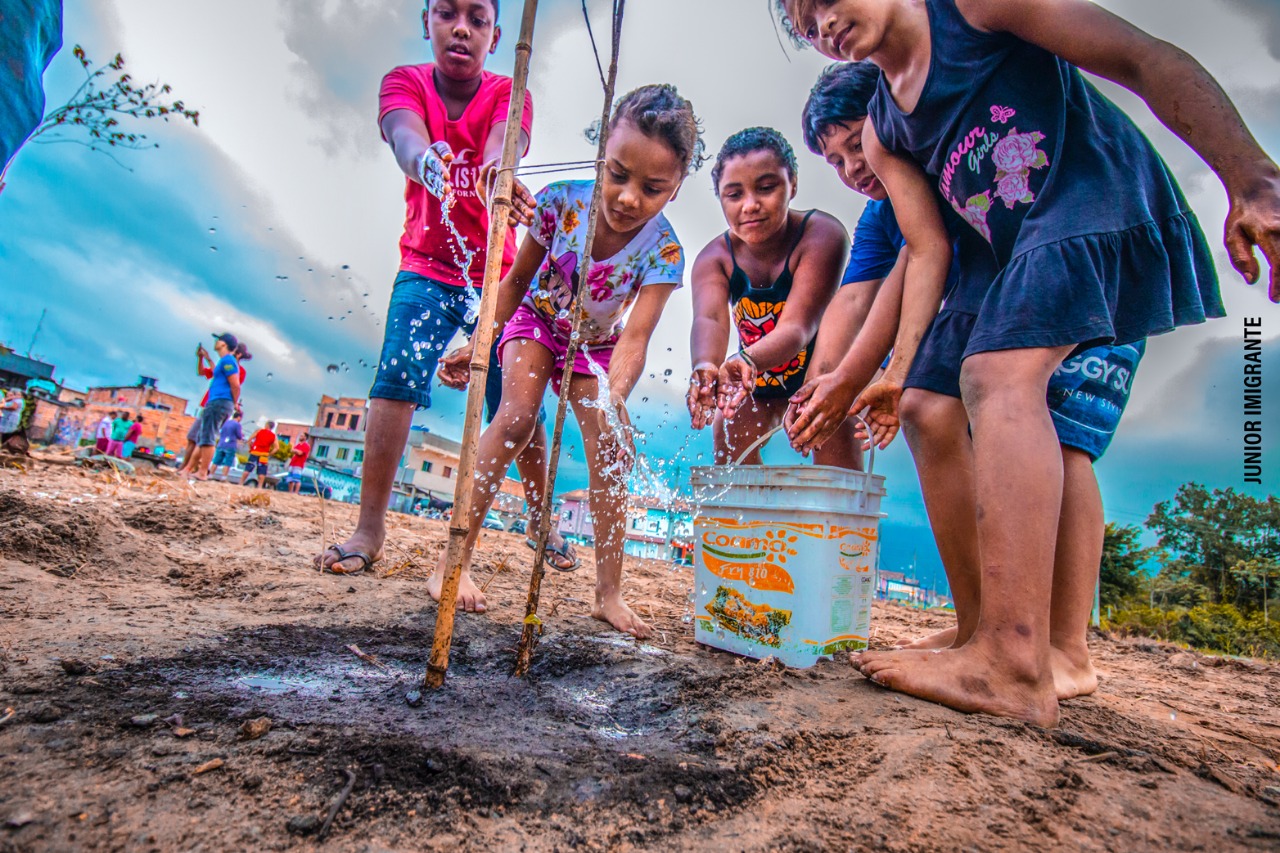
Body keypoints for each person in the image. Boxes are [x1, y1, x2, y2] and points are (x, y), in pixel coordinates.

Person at [777, 0, 1278, 726]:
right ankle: (985, 633)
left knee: (997, 377)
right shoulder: (885, 131)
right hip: (1001, 253)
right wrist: (893, 369)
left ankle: (1018, 663)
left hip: (1088, 202)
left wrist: (1250, 175)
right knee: (926, 405)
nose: (819, 21)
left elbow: (1143, 57)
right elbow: (928, 251)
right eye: (799, 19)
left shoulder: (975, 11)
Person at [794, 61, 1146, 699]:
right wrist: (832, 381)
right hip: (1007, 303)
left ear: (890, 123)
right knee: (941, 413)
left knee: (1066, 440)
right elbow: (863, 296)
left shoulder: (949, 147)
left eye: (857, 144)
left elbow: (926, 257)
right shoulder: (885, 211)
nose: (852, 167)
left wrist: (888, 372)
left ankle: (1066, 648)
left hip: (1085, 266)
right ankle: (982, 629)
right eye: (836, 159)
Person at [437, 84, 702, 636]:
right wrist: (481, 342)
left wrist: (615, 396)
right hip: (536, 323)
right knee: (514, 419)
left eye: (652, 189)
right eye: (618, 174)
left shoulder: (665, 250)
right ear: (601, 152)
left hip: (597, 347)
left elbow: (636, 337)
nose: (629, 198)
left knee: (611, 448)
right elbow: (514, 283)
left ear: (675, 190)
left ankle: (608, 594)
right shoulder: (561, 203)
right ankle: (451, 563)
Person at [317, 0, 565, 574]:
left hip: (500, 274)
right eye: (448, 14)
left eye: (477, 19)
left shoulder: (511, 89)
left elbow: (508, 140)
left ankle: (541, 520)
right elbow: (404, 137)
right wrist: (428, 164)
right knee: (398, 377)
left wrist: (495, 170)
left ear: (497, 35)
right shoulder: (403, 82)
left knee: (516, 397)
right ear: (426, 22)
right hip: (428, 263)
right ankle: (368, 530)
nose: (461, 28)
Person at [686, 127, 855, 467]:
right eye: (734, 194)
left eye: (766, 188)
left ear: (792, 183)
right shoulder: (714, 259)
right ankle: (759, 521)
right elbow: (710, 320)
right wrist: (704, 366)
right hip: (755, 383)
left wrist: (747, 360)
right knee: (729, 444)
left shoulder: (822, 236)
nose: (750, 205)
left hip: (820, 379)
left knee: (837, 484)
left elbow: (798, 327)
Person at [179, 341, 249, 474]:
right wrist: (203, 358)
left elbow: (234, 385)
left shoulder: (235, 368)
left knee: (205, 438)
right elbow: (204, 372)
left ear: (238, 354)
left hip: (218, 403)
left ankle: (193, 469)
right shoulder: (224, 364)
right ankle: (188, 467)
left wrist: (234, 403)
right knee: (194, 437)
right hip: (210, 403)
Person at [239, 420, 278, 488]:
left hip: (255, 452)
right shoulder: (273, 436)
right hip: (264, 455)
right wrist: (269, 454)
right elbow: (276, 448)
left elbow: (250, 439)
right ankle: (260, 486)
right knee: (262, 471)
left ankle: (241, 483)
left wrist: (250, 447)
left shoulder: (259, 431)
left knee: (248, 468)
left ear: (266, 425)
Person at [212, 412, 244, 479]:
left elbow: (221, 432)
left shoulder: (226, 422)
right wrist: (242, 435)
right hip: (231, 444)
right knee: (228, 462)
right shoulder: (237, 425)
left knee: (216, 461)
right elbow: (239, 436)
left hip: (221, 443)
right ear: (239, 417)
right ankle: (223, 477)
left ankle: (211, 474)